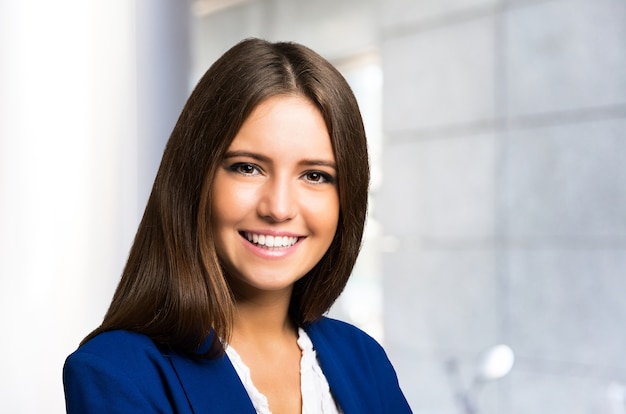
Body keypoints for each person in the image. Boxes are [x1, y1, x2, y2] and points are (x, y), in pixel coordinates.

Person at [63, 37, 411, 414]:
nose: (278, 208)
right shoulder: (115, 373)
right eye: (247, 167)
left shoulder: (364, 360)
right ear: (195, 179)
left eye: (314, 175)